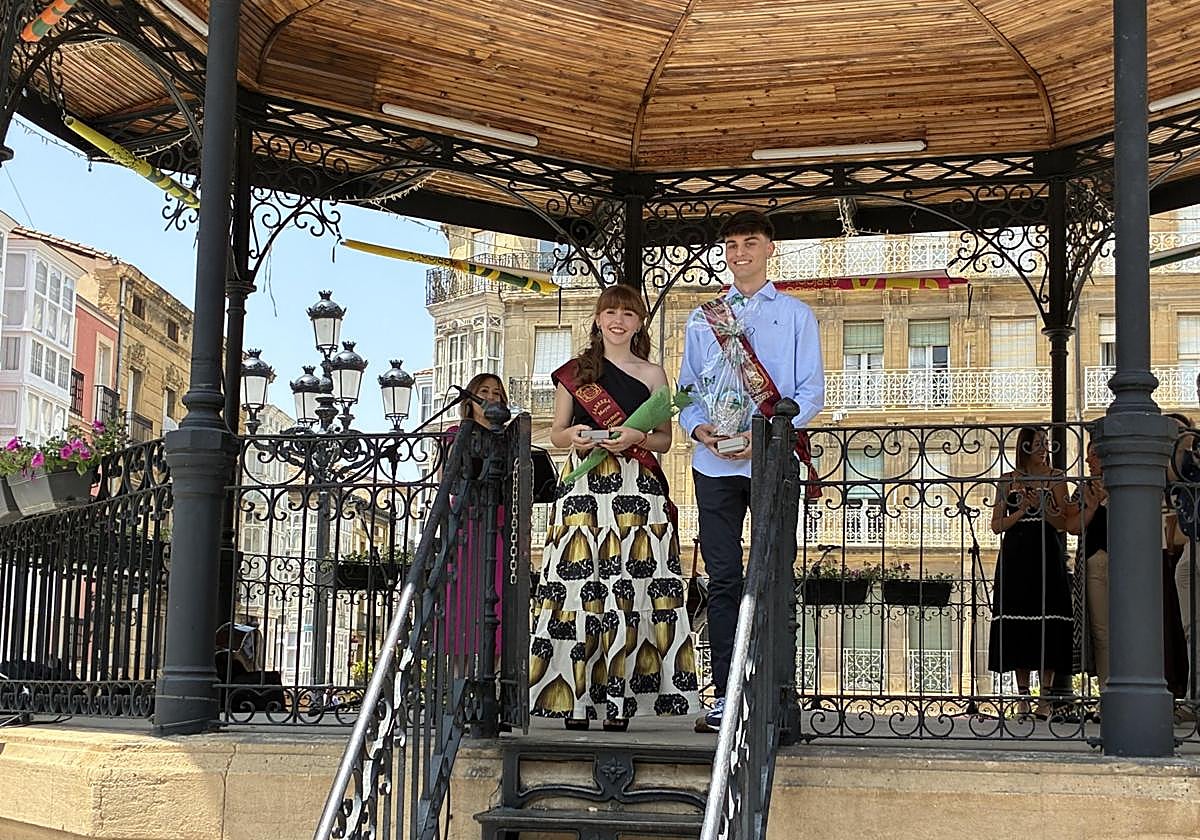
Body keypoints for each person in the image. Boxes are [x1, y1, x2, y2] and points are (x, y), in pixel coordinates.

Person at [677, 210, 825, 732]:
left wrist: (764, 436)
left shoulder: (795, 315)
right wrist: (701, 431)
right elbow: (688, 393)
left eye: (751, 242)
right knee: (722, 579)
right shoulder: (703, 319)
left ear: (770, 249)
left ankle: (772, 694)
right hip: (713, 464)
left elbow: (810, 393)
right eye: (732, 244)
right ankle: (724, 695)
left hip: (770, 460)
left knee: (772, 576)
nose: (740, 252)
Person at [528, 284, 698, 731]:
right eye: (610, 313)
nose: (618, 321)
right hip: (585, 485)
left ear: (639, 322)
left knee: (632, 589)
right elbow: (557, 433)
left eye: (628, 313)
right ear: (598, 320)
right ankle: (576, 700)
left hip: (636, 489)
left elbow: (665, 439)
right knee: (578, 589)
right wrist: (578, 437)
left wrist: (637, 437)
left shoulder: (654, 374)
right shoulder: (575, 372)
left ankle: (622, 702)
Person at [987, 426, 1073, 719]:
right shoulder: (1007, 480)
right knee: (1018, 621)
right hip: (1016, 554)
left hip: (1046, 552)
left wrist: (1043, 508)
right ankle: (1023, 696)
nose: (1043, 449)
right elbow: (996, 524)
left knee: (1048, 619)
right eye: (1037, 443)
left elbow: (1063, 523)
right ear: (1024, 447)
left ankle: (1045, 698)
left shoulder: (1057, 478)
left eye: (1045, 443)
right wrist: (1022, 508)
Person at [443, 373, 508, 677]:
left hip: (500, 528)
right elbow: (451, 482)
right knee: (463, 606)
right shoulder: (456, 435)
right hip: (467, 527)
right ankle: (460, 683)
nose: (491, 397)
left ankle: (489, 683)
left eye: (497, 393)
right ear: (469, 399)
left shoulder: (509, 439)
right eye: (484, 391)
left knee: (498, 606)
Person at [1063, 440, 1109, 701]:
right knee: (1101, 631)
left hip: (1126, 562)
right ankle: (1106, 696)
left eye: (1093, 456)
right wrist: (1092, 507)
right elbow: (1071, 526)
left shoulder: (1127, 484)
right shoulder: (1083, 489)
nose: (1089, 461)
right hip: (1094, 561)